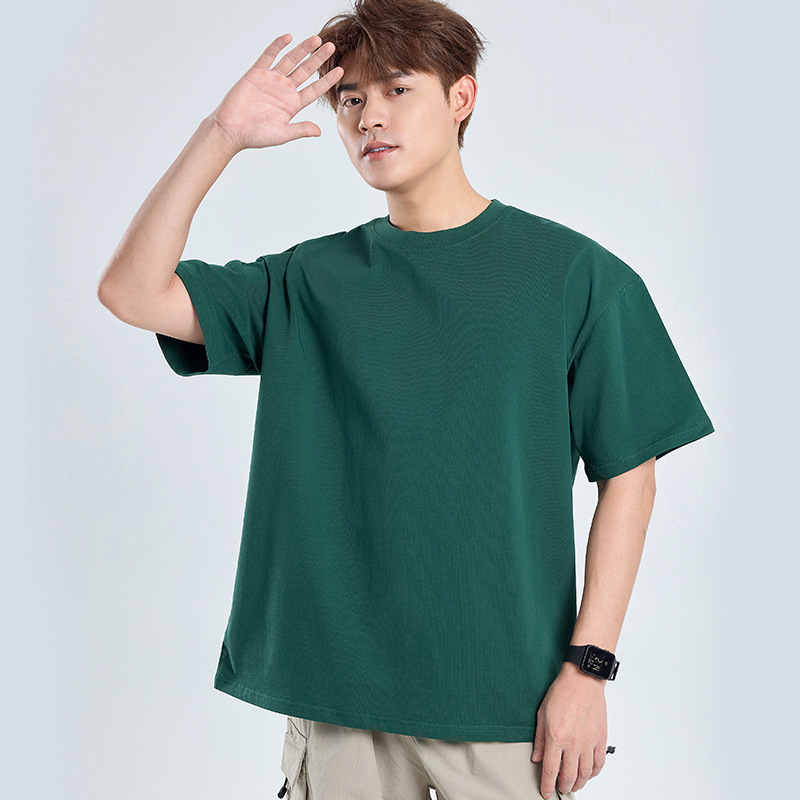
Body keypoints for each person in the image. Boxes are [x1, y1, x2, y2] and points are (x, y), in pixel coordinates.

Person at [97, 1, 714, 798]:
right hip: (340, 701)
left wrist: (587, 671)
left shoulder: (574, 276)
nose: (369, 118)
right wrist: (221, 134)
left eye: (396, 89)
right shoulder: (309, 282)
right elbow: (131, 291)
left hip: (508, 702)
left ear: (461, 98)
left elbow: (630, 478)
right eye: (350, 99)